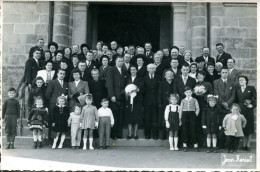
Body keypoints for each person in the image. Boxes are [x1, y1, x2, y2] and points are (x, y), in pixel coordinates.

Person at [213, 66, 235, 148]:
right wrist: (223, 103)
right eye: (223, 72)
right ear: (220, 73)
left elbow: (233, 95)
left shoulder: (232, 82)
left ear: (228, 73)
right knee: (220, 125)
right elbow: (216, 94)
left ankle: (227, 144)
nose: (224, 74)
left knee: (228, 125)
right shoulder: (216, 82)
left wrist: (227, 104)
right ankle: (220, 144)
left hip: (228, 108)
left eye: (226, 72)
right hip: (220, 107)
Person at [106, 55, 127, 139]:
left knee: (120, 116)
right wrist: (112, 96)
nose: (121, 62)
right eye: (119, 61)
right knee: (114, 116)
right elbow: (109, 83)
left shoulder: (124, 70)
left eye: (122, 61)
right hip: (114, 97)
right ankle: (113, 134)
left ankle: (119, 134)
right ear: (115, 61)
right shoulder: (111, 69)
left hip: (121, 96)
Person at [45, 69, 69, 142]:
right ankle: (51, 140)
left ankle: (59, 141)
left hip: (62, 106)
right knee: (53, 121)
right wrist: (53, 102)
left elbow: (67, 94)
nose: (62, 75)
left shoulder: (66, 83)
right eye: (60, 73)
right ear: (57, 74)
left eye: (63, 74)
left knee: (61, 122)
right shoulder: (52, 82)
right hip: (54, 105)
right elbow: (47, 95)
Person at [235, 75, 256, 151]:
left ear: (246, 81)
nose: (241, 81)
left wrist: (252, 105)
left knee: (249, 127)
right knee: (242, 127)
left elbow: (256, 98)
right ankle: (244, 144)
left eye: (242, 80)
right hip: (240, 111)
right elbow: (236, 100)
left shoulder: (251, 88)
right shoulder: (237, 89)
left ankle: (248, 145)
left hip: (249, 110)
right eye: (240, 80)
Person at [124, 65, 144, 140]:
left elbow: (141, 88)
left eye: (134, 69)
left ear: (136, 70)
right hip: (129, 100)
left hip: (137, 100)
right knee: (129, 117)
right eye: (131, 70)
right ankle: (129, 134)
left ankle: (135, 134)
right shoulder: (127, 79)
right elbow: (124, 88)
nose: (133, 71)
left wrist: (135, 92)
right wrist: (127, 93)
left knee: (136, 117)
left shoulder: (140, 79)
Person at [143, 64, 161, 139]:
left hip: (156, 102)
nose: (151, 70)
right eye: (150, 68)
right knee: (147, 119)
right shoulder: (144, 78)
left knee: (155, 119)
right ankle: (147, 135)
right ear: (147, 69)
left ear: (155, 69)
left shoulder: (159, 77)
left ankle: (155, 135)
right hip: (147, 102)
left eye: (153, 68)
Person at [179, 86, 200, 152]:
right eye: (187, 92)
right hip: (185, 115)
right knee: (185, 130)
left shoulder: (194, 99)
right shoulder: (183, 100)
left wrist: (195, 114)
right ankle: (185, 145)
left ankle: (195, 145)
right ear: (184, 93)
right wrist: (180, 117)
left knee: (193, 129)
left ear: (192, 92)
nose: (188, 93)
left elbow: (198, 108)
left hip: (192, 114)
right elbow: (181, 109)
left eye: (189, 92)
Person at [158, 70, 175, 140]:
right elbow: (159, 94)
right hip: (164, 103)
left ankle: (171, 135)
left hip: (173, 103)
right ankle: (163, 135)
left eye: (170, 74)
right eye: (167, 74)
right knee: (164, 119)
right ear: (165, 76)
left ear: (173, 76)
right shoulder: (162, 83)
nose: (169, 76)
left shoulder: (174, 83)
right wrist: (159, 103)